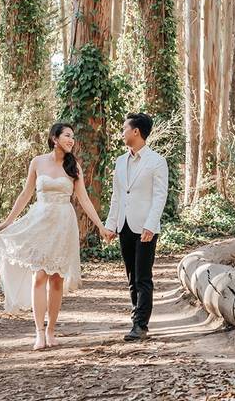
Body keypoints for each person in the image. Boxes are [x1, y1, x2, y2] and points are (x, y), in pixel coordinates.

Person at [0, 122, 114, 350]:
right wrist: (8, 220)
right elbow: (26, 194)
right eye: (67, 136)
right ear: (54, 138)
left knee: (57, 279)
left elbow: (84, 199)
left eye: (73, 137)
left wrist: (100, 226)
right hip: (41, 221)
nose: (72, 140)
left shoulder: (73, 166)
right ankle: (38, 332)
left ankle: (51, 330)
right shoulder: (37, 162)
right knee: (39, 276)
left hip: (63, 225)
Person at [103, 113, 168, 341]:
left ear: (136, 132)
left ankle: (141, 325)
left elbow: (160, 196)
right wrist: (111, 226)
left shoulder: (157, 161)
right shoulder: (120, 161)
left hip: (145, 227)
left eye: (124, 129)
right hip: (124, 225)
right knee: (131, 277)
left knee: (143, 277)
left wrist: (151, 225)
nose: (122, 133)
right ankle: (136, 318)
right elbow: (117, 196)